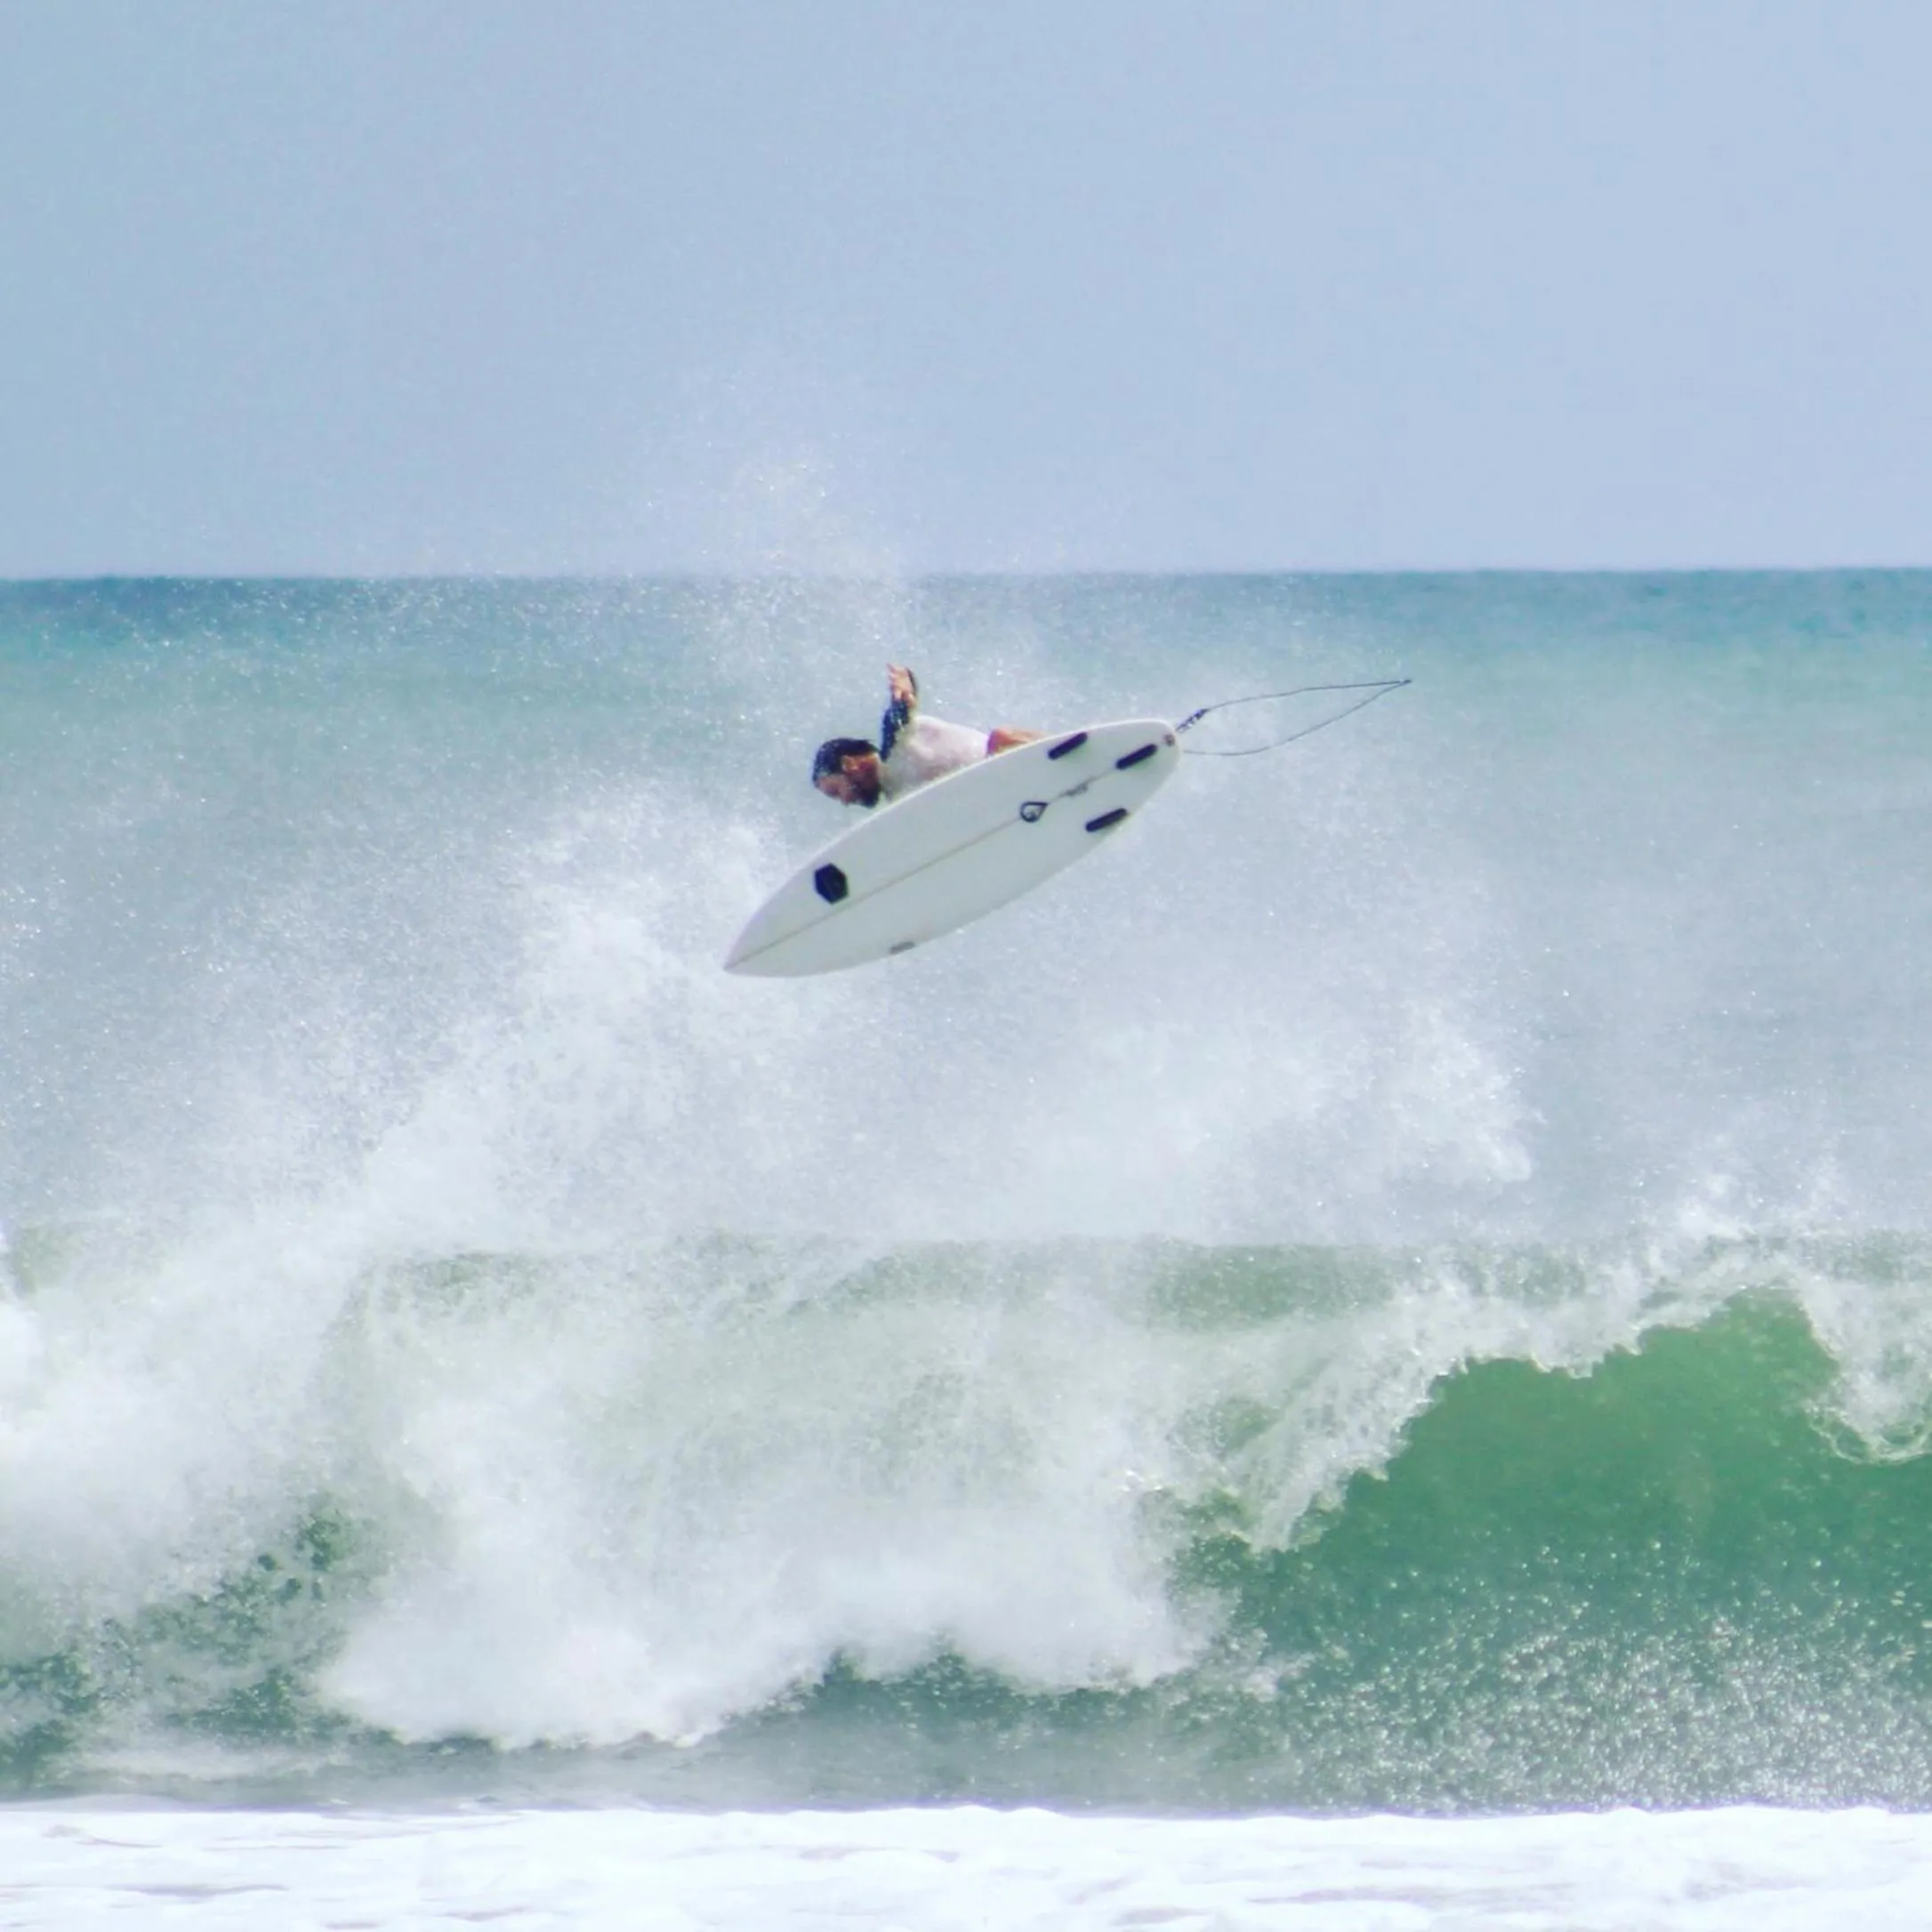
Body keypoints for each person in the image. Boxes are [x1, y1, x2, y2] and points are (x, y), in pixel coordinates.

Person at [812, 664, 1041, 808]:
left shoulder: (897, 740)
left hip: (1006, 760)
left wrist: (904, 681)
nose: (844, 802)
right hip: (998, 800)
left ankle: (1071, 753)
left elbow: (902, 704)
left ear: (849, 764)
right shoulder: (899, 805)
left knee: (1001, 738)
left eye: (836, 791)